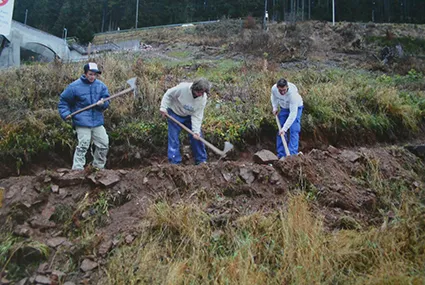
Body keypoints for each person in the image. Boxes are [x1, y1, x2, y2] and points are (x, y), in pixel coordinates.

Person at [58, 62, 110, 170]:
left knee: (104, 143)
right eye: (90, 74)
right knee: (83, 144)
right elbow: (63, 101)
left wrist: (103, 103)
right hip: (81, 121)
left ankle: (98, 167)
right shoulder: (74, 87)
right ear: (85, 73)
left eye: (95, 74)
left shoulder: (101, 86)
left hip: (97, 121)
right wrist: (65, 113)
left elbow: (106, 101)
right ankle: (77, 169)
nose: (93, 77)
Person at [160, 78, 210, 165]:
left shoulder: (202, 98)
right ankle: (174, 163)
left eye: (203, 93)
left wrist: (196, 131)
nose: (200, 94)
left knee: (198, 137)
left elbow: (197, 115)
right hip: (175, 113)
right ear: (194, 89)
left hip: (189, 116)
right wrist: (163, 108)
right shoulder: (182, 88)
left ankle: (201, 160)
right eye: (199, 92)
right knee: (173, 138)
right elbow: (168, 94)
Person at [271, 78, 304, 158]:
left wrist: (285, 129)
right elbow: (273, 97)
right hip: (284, 107)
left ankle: (292, 155)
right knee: (280, 131)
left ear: (287, 87)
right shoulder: (274, 89)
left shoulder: (293, 95)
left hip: (296, 107)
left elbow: (293, 114)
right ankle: (281, 155)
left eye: (284, 90)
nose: (282, 92)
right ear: (277, 87)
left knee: (294, 129)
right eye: (280, 90)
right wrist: (275, 107)